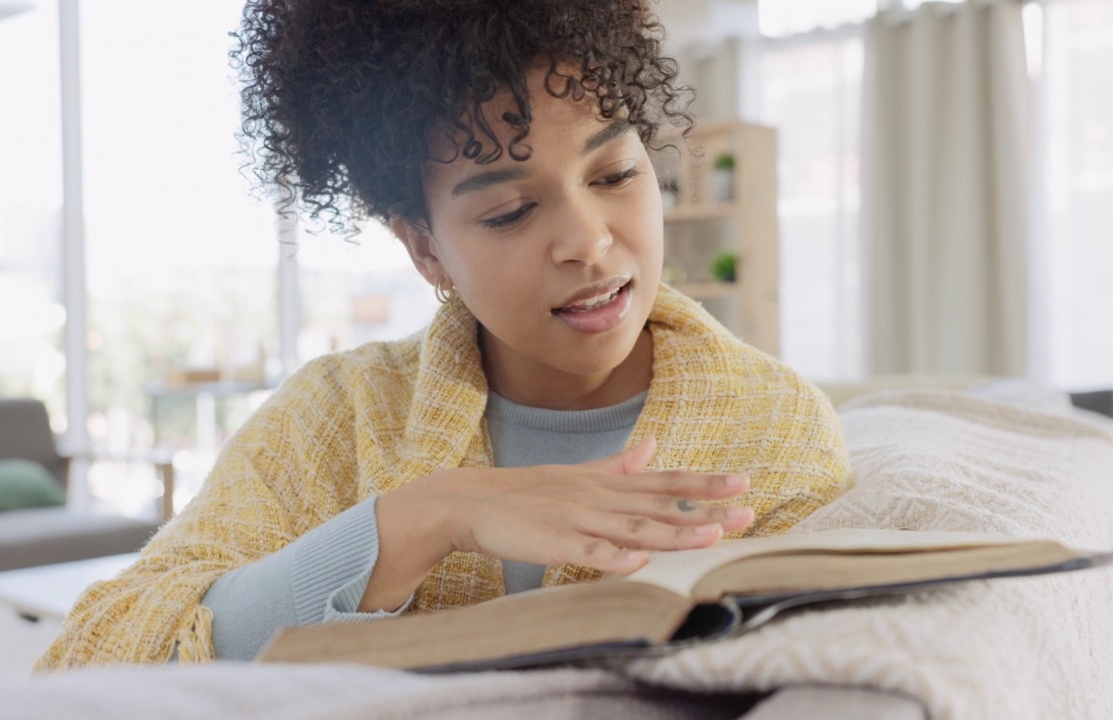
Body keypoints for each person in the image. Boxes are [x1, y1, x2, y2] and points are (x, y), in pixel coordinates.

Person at [36, 0, 849, 668]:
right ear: (426, 247)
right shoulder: (337, 415)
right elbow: (93, 657)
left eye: (614, 175)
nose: (590, 242)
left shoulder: (776, 429)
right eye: (509, 212)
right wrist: (421, 519)